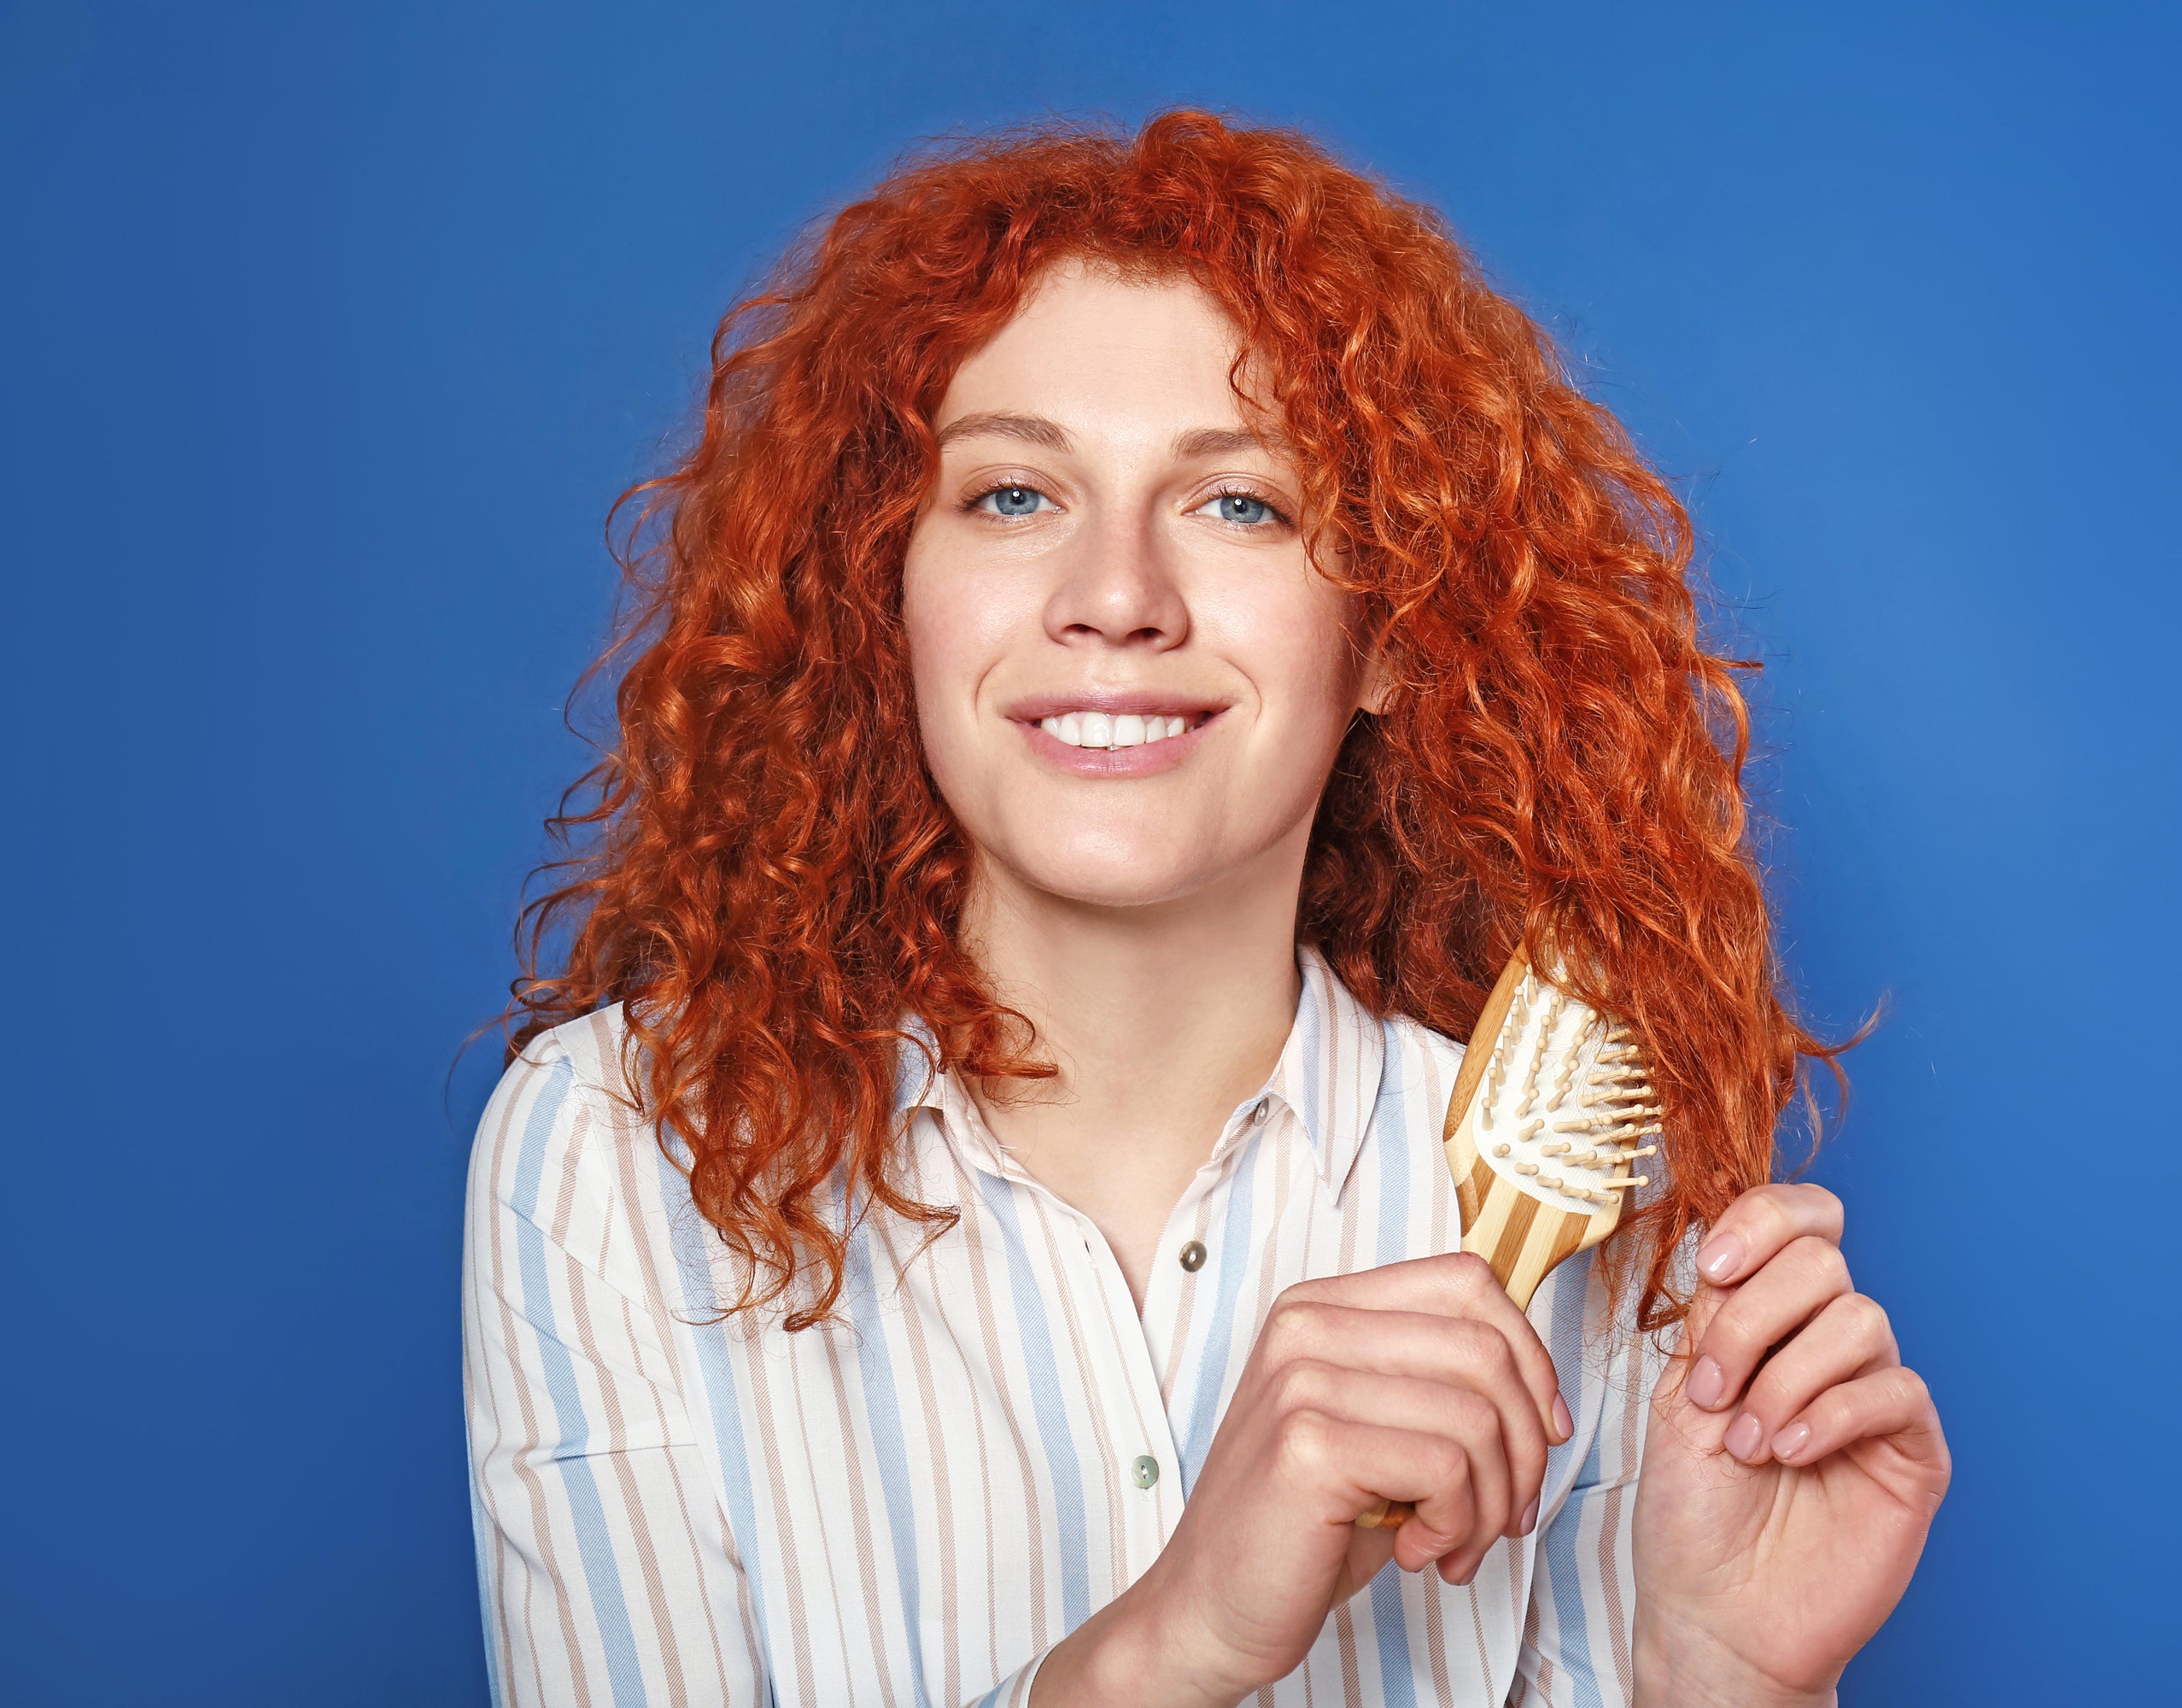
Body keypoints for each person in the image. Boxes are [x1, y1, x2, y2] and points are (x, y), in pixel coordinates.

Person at [465, 111, 1950, 1708]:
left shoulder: (1592, 1209)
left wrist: (1723, 1679)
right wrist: (1169, 1649)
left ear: (1389, 636)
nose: (1117, 593)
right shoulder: (618, 1158)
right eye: (1014, 495)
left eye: (1241, 504)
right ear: (878, 600)